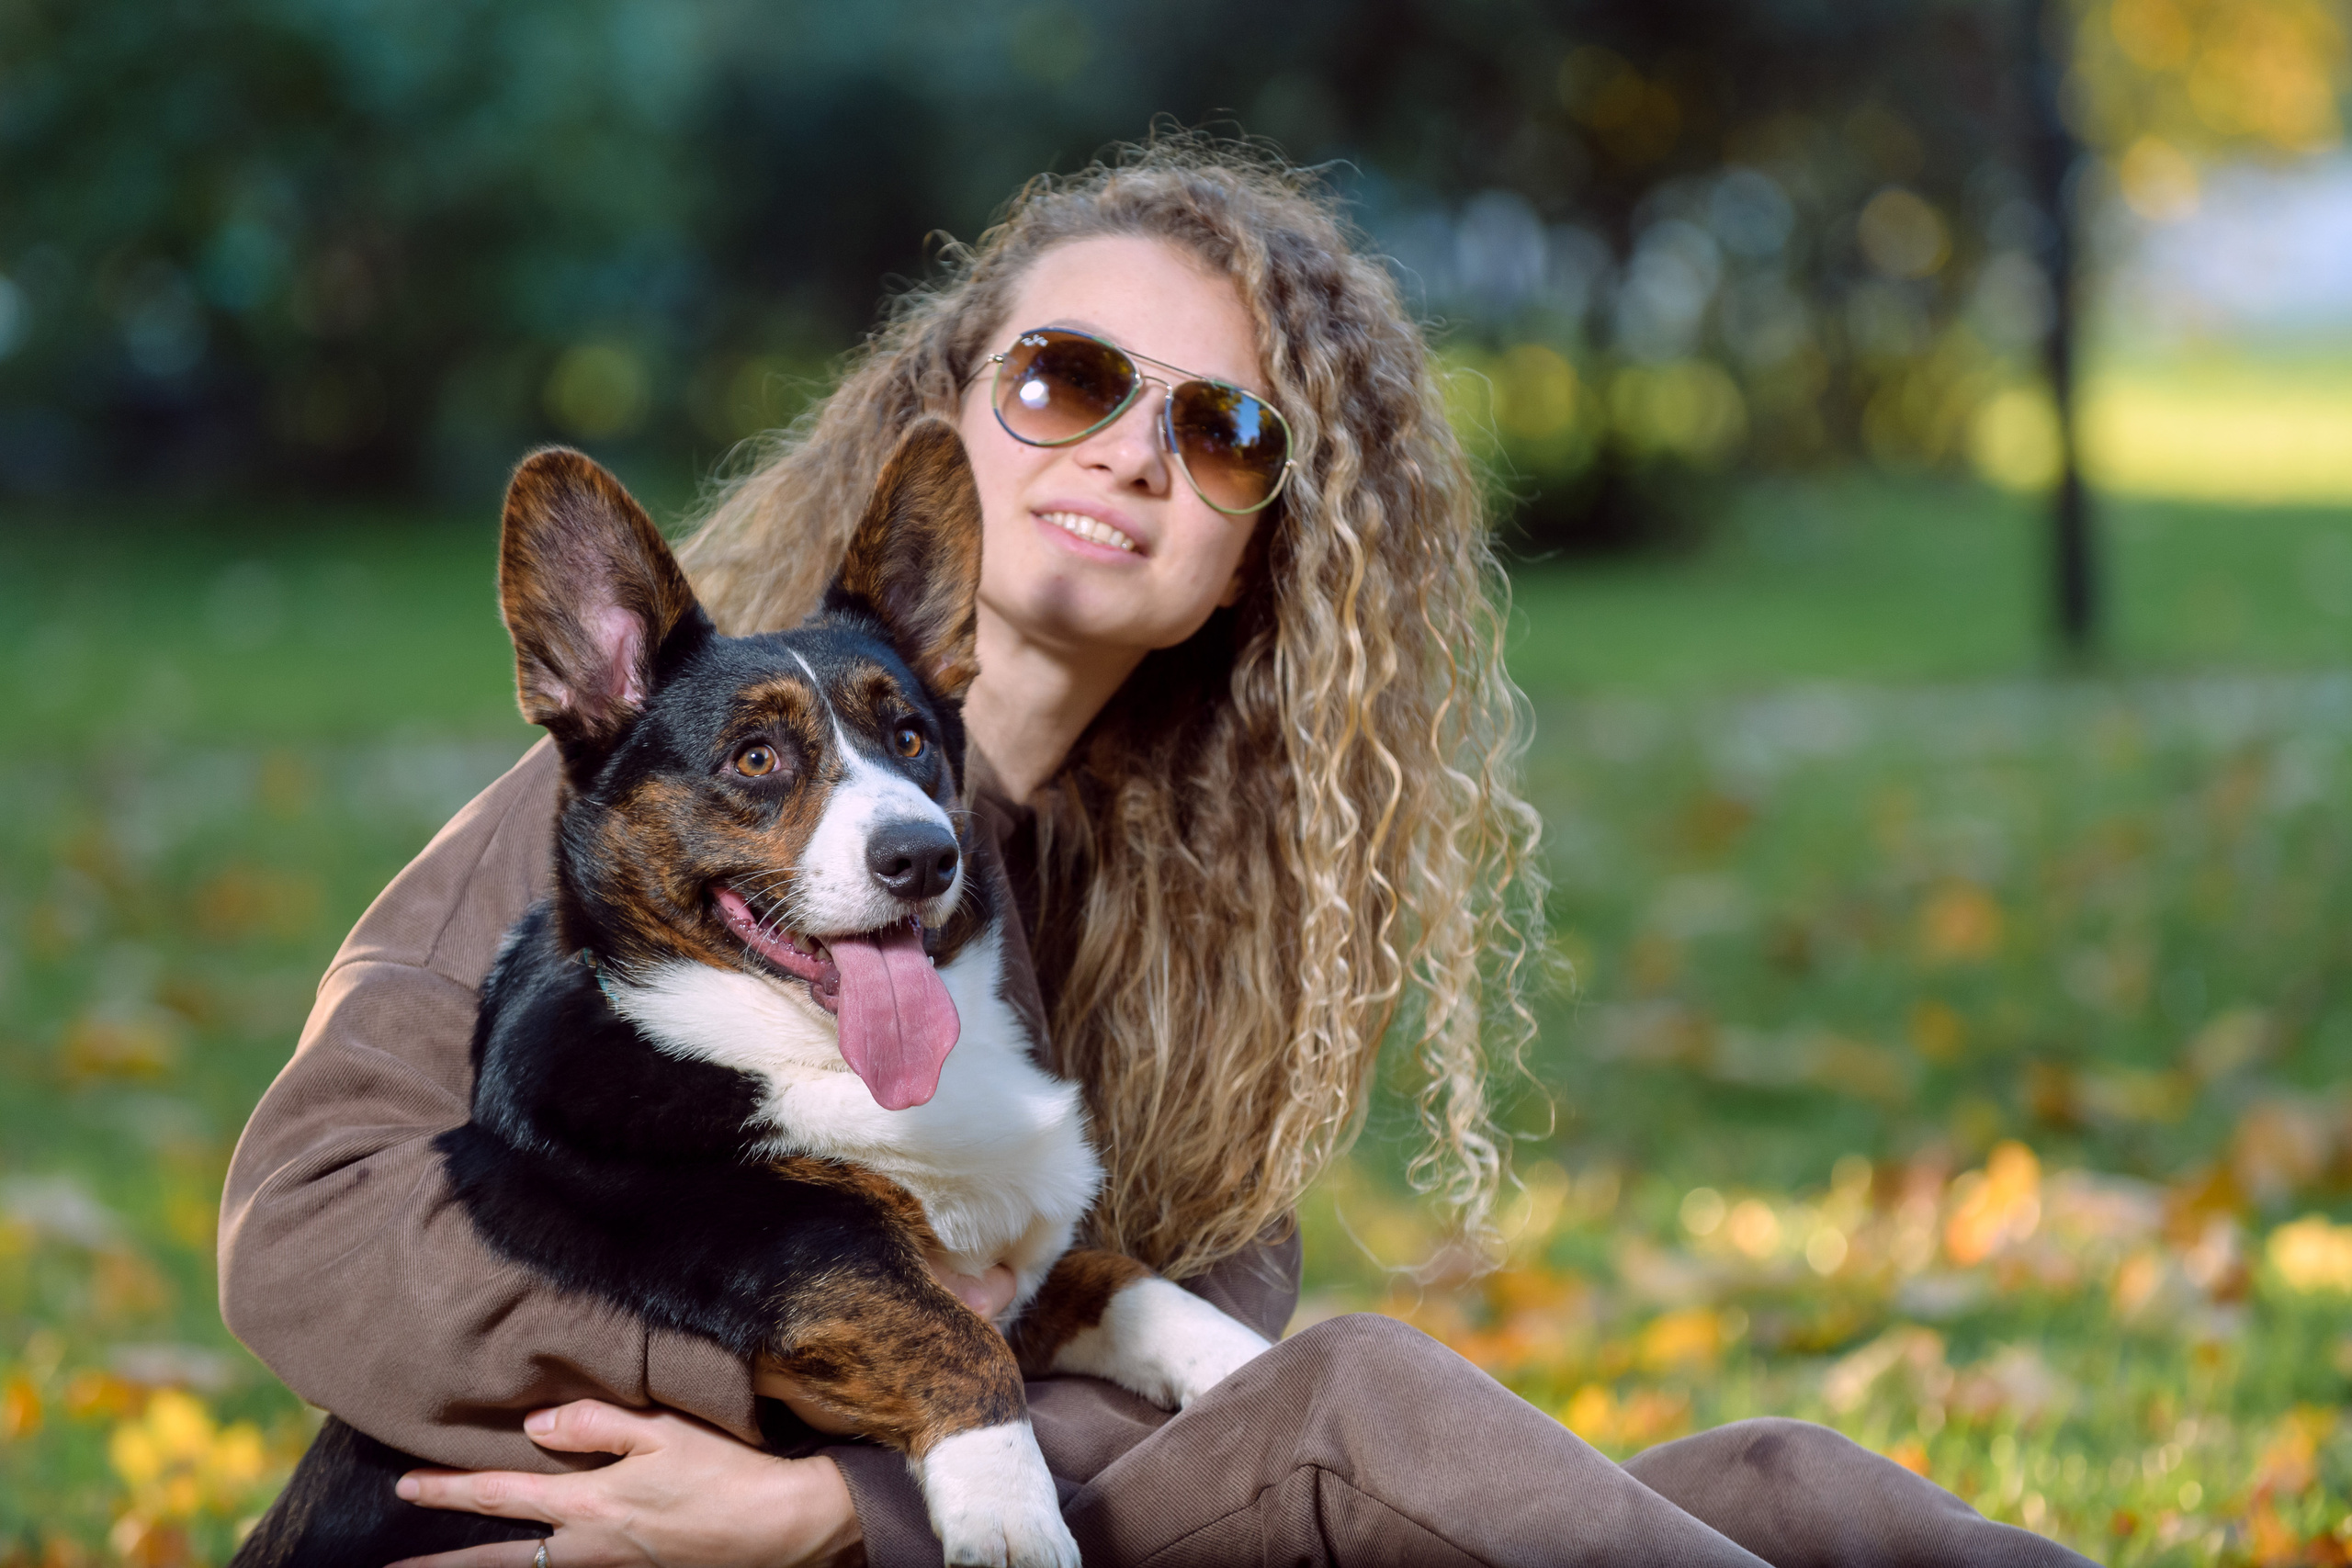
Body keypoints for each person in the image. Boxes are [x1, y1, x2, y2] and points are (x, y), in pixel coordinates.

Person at [220, 138, 2093, 1567]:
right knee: (1358, 1398)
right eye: (1063, 380)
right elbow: (303, 1235)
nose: (1126, 451)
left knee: (1774, 1474)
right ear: (945, 409)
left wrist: (838, 1508)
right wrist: (787, 1403)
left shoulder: (1219, 919)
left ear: (1262, 543)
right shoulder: (651, 811)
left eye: (1217, 430)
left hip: (945, 1531)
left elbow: (1183, 1417)